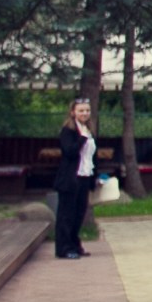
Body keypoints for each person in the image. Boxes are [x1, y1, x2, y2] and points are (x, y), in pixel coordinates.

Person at [52, 98, 97, 260]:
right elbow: (70, 152)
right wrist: (82, 139)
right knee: (66, 214)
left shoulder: (88, 130)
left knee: (79, 214)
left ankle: (75, 245)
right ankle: (63, 248)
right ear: (73, 113)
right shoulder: (68, 131)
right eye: (81, 110)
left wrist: (95, 178)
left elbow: (91, 156)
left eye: (87, 110)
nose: (84, 113)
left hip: (84, 176)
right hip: (70, 178)